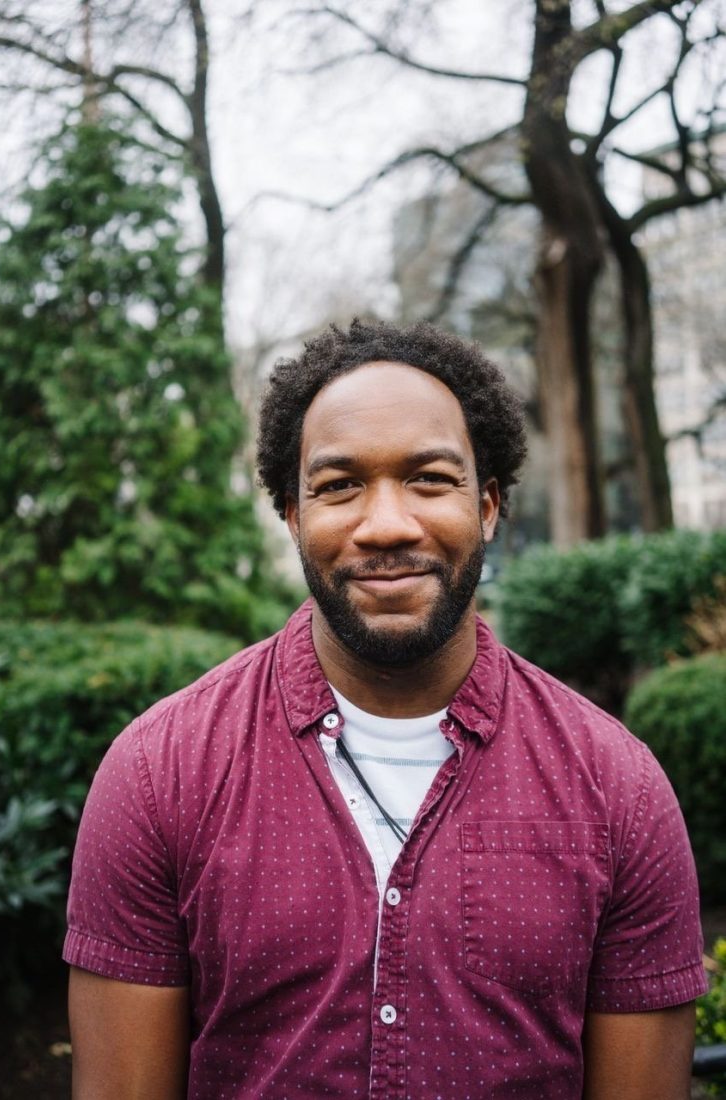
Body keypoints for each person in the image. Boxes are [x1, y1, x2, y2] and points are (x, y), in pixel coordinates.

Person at [65, 318, 706, 1100]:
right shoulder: (158, 773)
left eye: (430, 479)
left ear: (489, 506)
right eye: (339, 487)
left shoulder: (620, 789)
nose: (387, 525)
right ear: (294, 517)